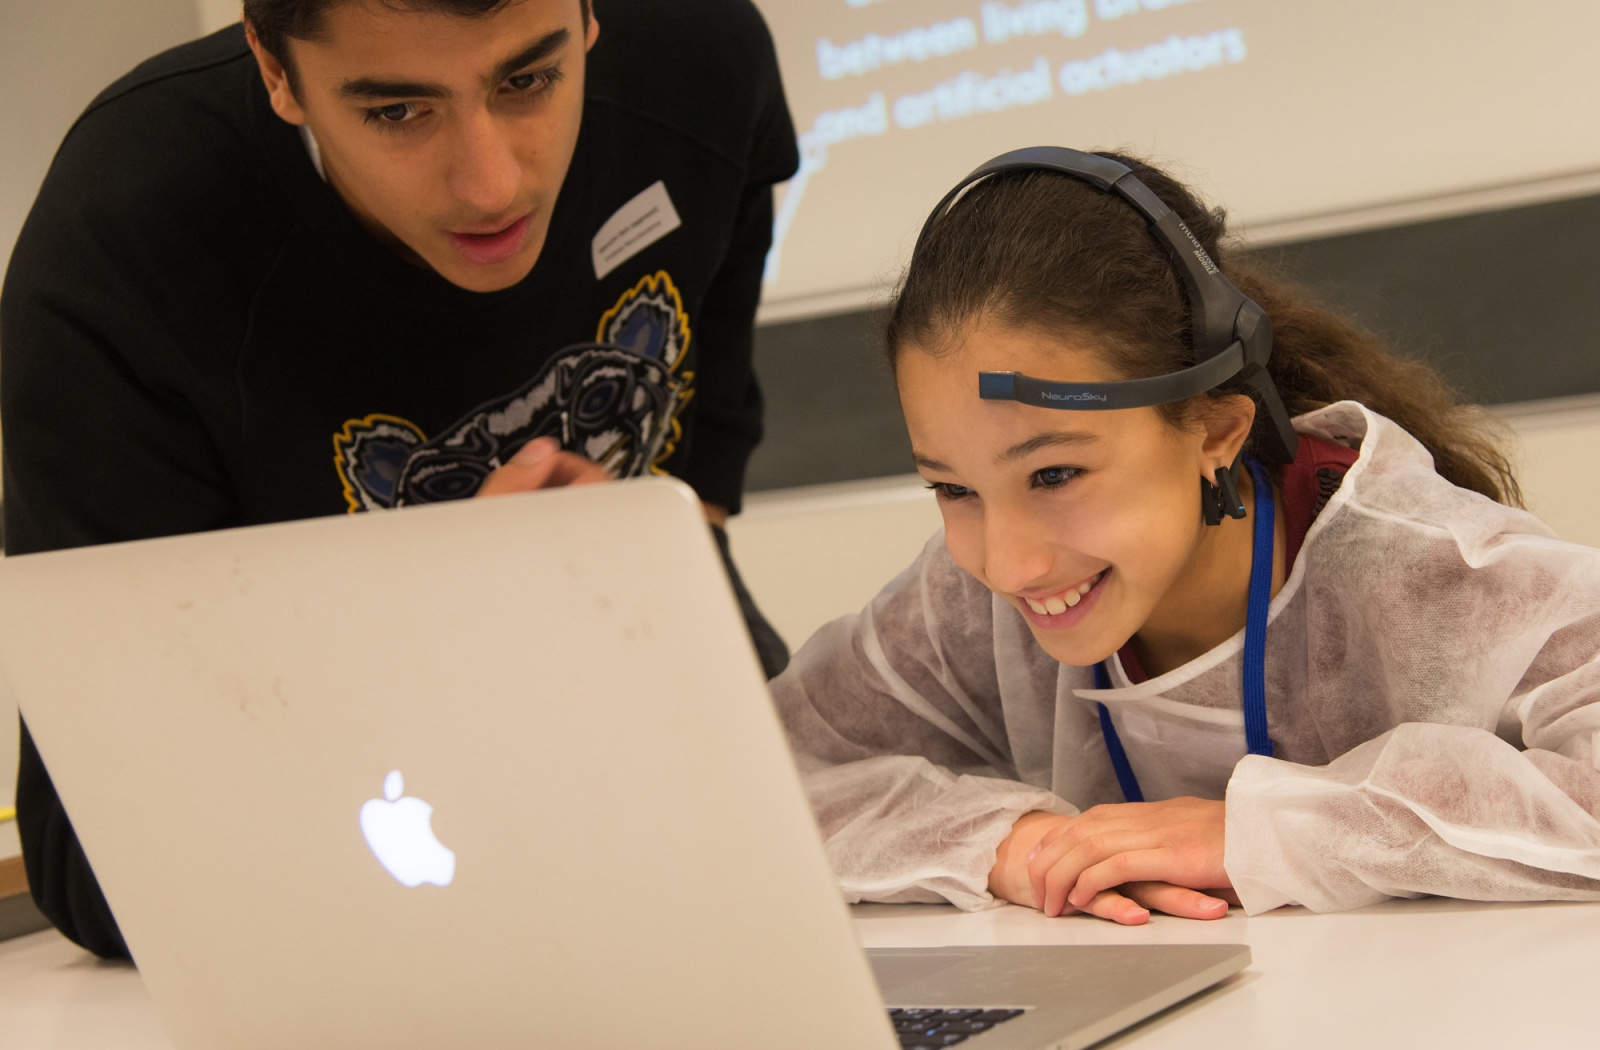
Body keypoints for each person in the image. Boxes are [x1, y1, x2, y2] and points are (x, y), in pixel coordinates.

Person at [2, 0, 797, 958]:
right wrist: (449, 616)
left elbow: (734, 214)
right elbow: (95, 864)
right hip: (356, 790)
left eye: (528, 80)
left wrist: (686, 511)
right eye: (396, 112)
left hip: (649, 639)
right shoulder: (125, 245)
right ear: (276, 70)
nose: (492, 184)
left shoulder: (697, 47)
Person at [772, 147, 1600, 926]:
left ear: (1214, 431)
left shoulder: (1419, 566)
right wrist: (1011, 843)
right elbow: (756, 774)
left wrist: (1267, 831)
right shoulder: (964, 605)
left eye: (1055, 475)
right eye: (953, 489)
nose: (1006, 563)